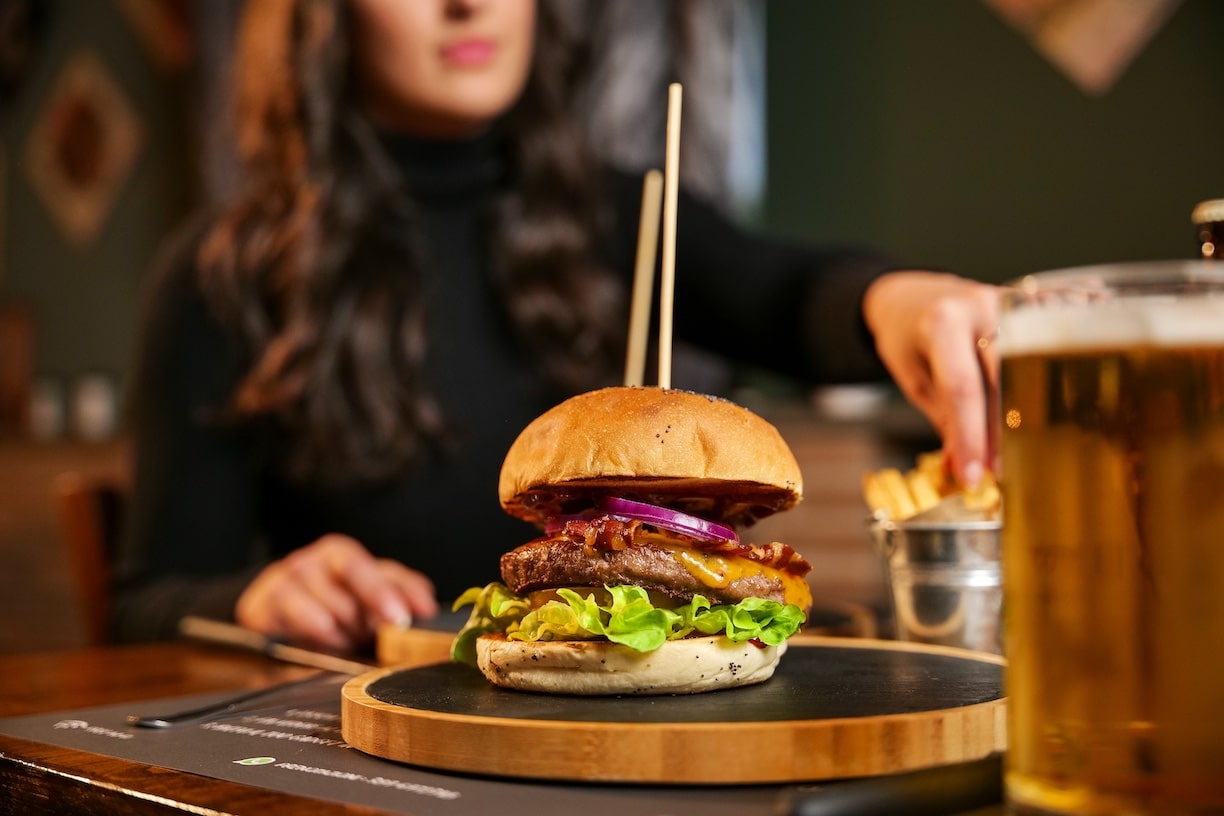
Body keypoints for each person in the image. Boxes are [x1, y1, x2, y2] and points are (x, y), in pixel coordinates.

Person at [110, 0, 998, 653]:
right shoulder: (220, 275)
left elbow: (790, 294)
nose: (470, 4)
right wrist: (259, 595)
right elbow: (146, 596)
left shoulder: (623, 216)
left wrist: (895, 300)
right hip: (375, 740)